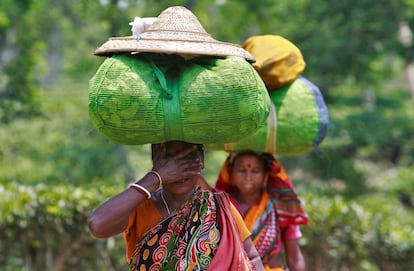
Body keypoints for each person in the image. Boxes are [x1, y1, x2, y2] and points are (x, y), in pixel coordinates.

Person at [89, 140, 265, 271]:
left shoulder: (219, 208)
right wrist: (155, 177)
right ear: (155, 162)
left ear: (201, 160)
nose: (178, 170)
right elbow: (98, 225)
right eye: (169, 160)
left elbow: (251, 257)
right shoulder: (140, 207)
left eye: (187, 158)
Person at [215, 150, 309, 271]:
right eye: (242, 170)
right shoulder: (222, 204)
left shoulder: (280, 206)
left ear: (265, 174)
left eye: (255, 171)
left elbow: (294, 257)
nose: (248, 177)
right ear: (231, 172)